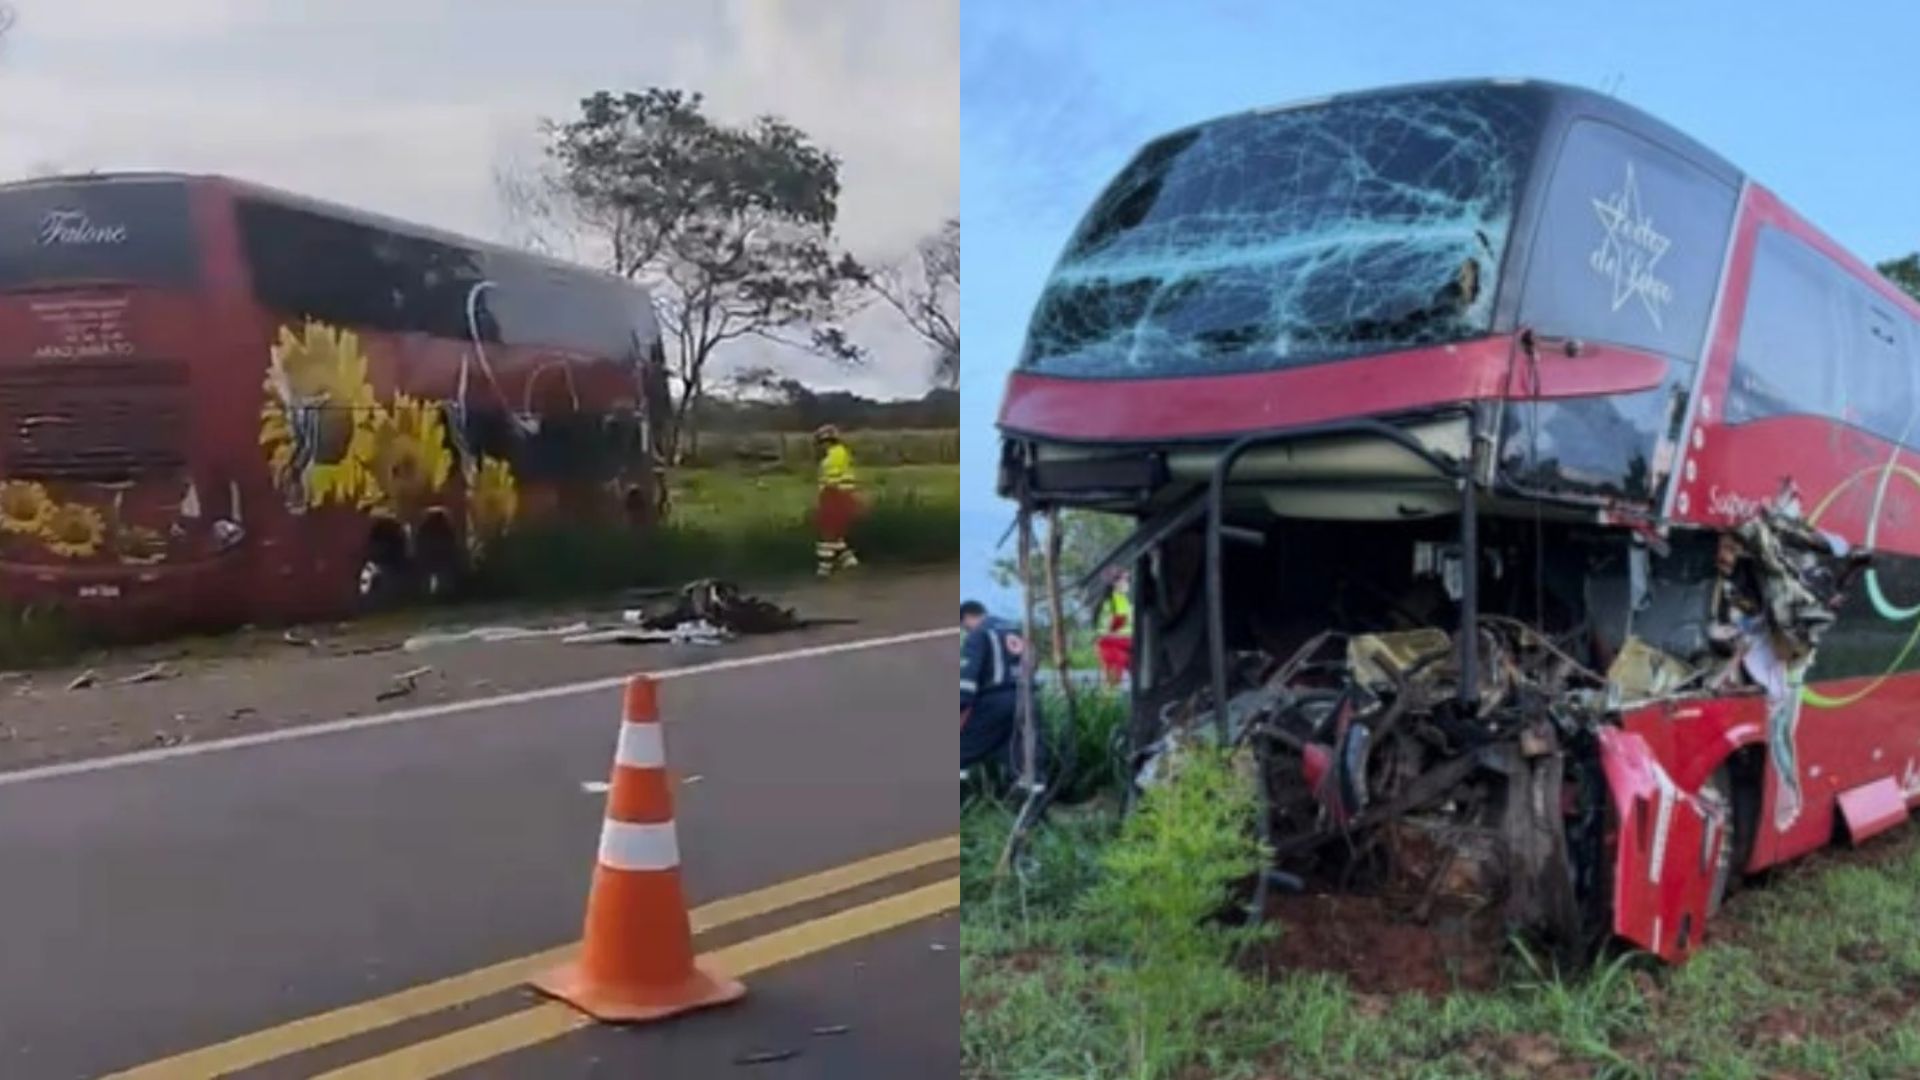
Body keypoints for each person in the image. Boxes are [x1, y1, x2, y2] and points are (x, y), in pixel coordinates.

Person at [960, 599, 1040, 786]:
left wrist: (961, 704)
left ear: (968, 617)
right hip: (1027, 697)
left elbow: (968, 678)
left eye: (964, 626)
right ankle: (1033, 806)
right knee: (1023, 757)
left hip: (995, 700)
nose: (966, 631)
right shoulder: (1017, 630)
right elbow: (1034, 661)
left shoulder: (978, 634)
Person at [813, 424, 861, 578]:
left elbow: (831, 479)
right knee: (835, 535)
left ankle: (824, 570)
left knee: (827, 535)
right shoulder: (839, 453)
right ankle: (850, 564)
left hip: (836, 496)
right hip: (840, 496)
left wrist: (825, 492)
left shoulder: (834, 456)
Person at [1095, 568, 1134, 686]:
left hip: (1124, 646)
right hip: (1113, 647)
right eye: (1125, 580)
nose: (1127, 583)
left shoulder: (1123, 600)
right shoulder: (1109, 603)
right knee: (1112, 685)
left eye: (1128, 580)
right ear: (1114, 583)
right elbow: (1105, 630)